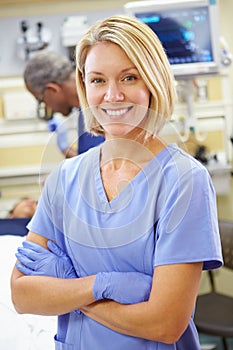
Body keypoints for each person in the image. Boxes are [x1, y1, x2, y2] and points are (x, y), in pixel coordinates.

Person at [11, 15, 223, 350]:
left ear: (153, 82)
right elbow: (22, 295)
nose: (112, 95)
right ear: (84, 87)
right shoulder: (64, 179)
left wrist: (67, 286)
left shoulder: (184, 181)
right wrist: (101, 285)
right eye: (97, 80)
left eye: (129, 77)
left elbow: (165, 324)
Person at [24, 50, 104, 158]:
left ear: (52, 89)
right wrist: (65, 148)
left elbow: (99, 169)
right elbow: (89, 160)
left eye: (42, 100)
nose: (47, 107)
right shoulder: (84, 108)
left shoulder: (96, 105)